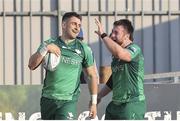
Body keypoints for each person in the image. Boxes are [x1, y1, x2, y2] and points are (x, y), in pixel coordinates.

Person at [28, 12, 98, 120]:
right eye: (74, 24)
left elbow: (92, 76)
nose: (77, 28)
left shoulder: (84, 49)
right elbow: (31, 65)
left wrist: (93, 102)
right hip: (48, 99)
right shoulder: (49, 43)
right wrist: (45, 49)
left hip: (68, 101)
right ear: (64, 25)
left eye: (79, 25)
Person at [95, 18, 146, 120]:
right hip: (115, 105)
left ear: (127, 36)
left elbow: (121, 53)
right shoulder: (115, 57)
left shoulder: (134, 49)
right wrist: (99, 96)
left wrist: (103, 35)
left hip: (132, 104)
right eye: (112, 32)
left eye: (116, 32)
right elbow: (113, 80)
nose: (112, 35)